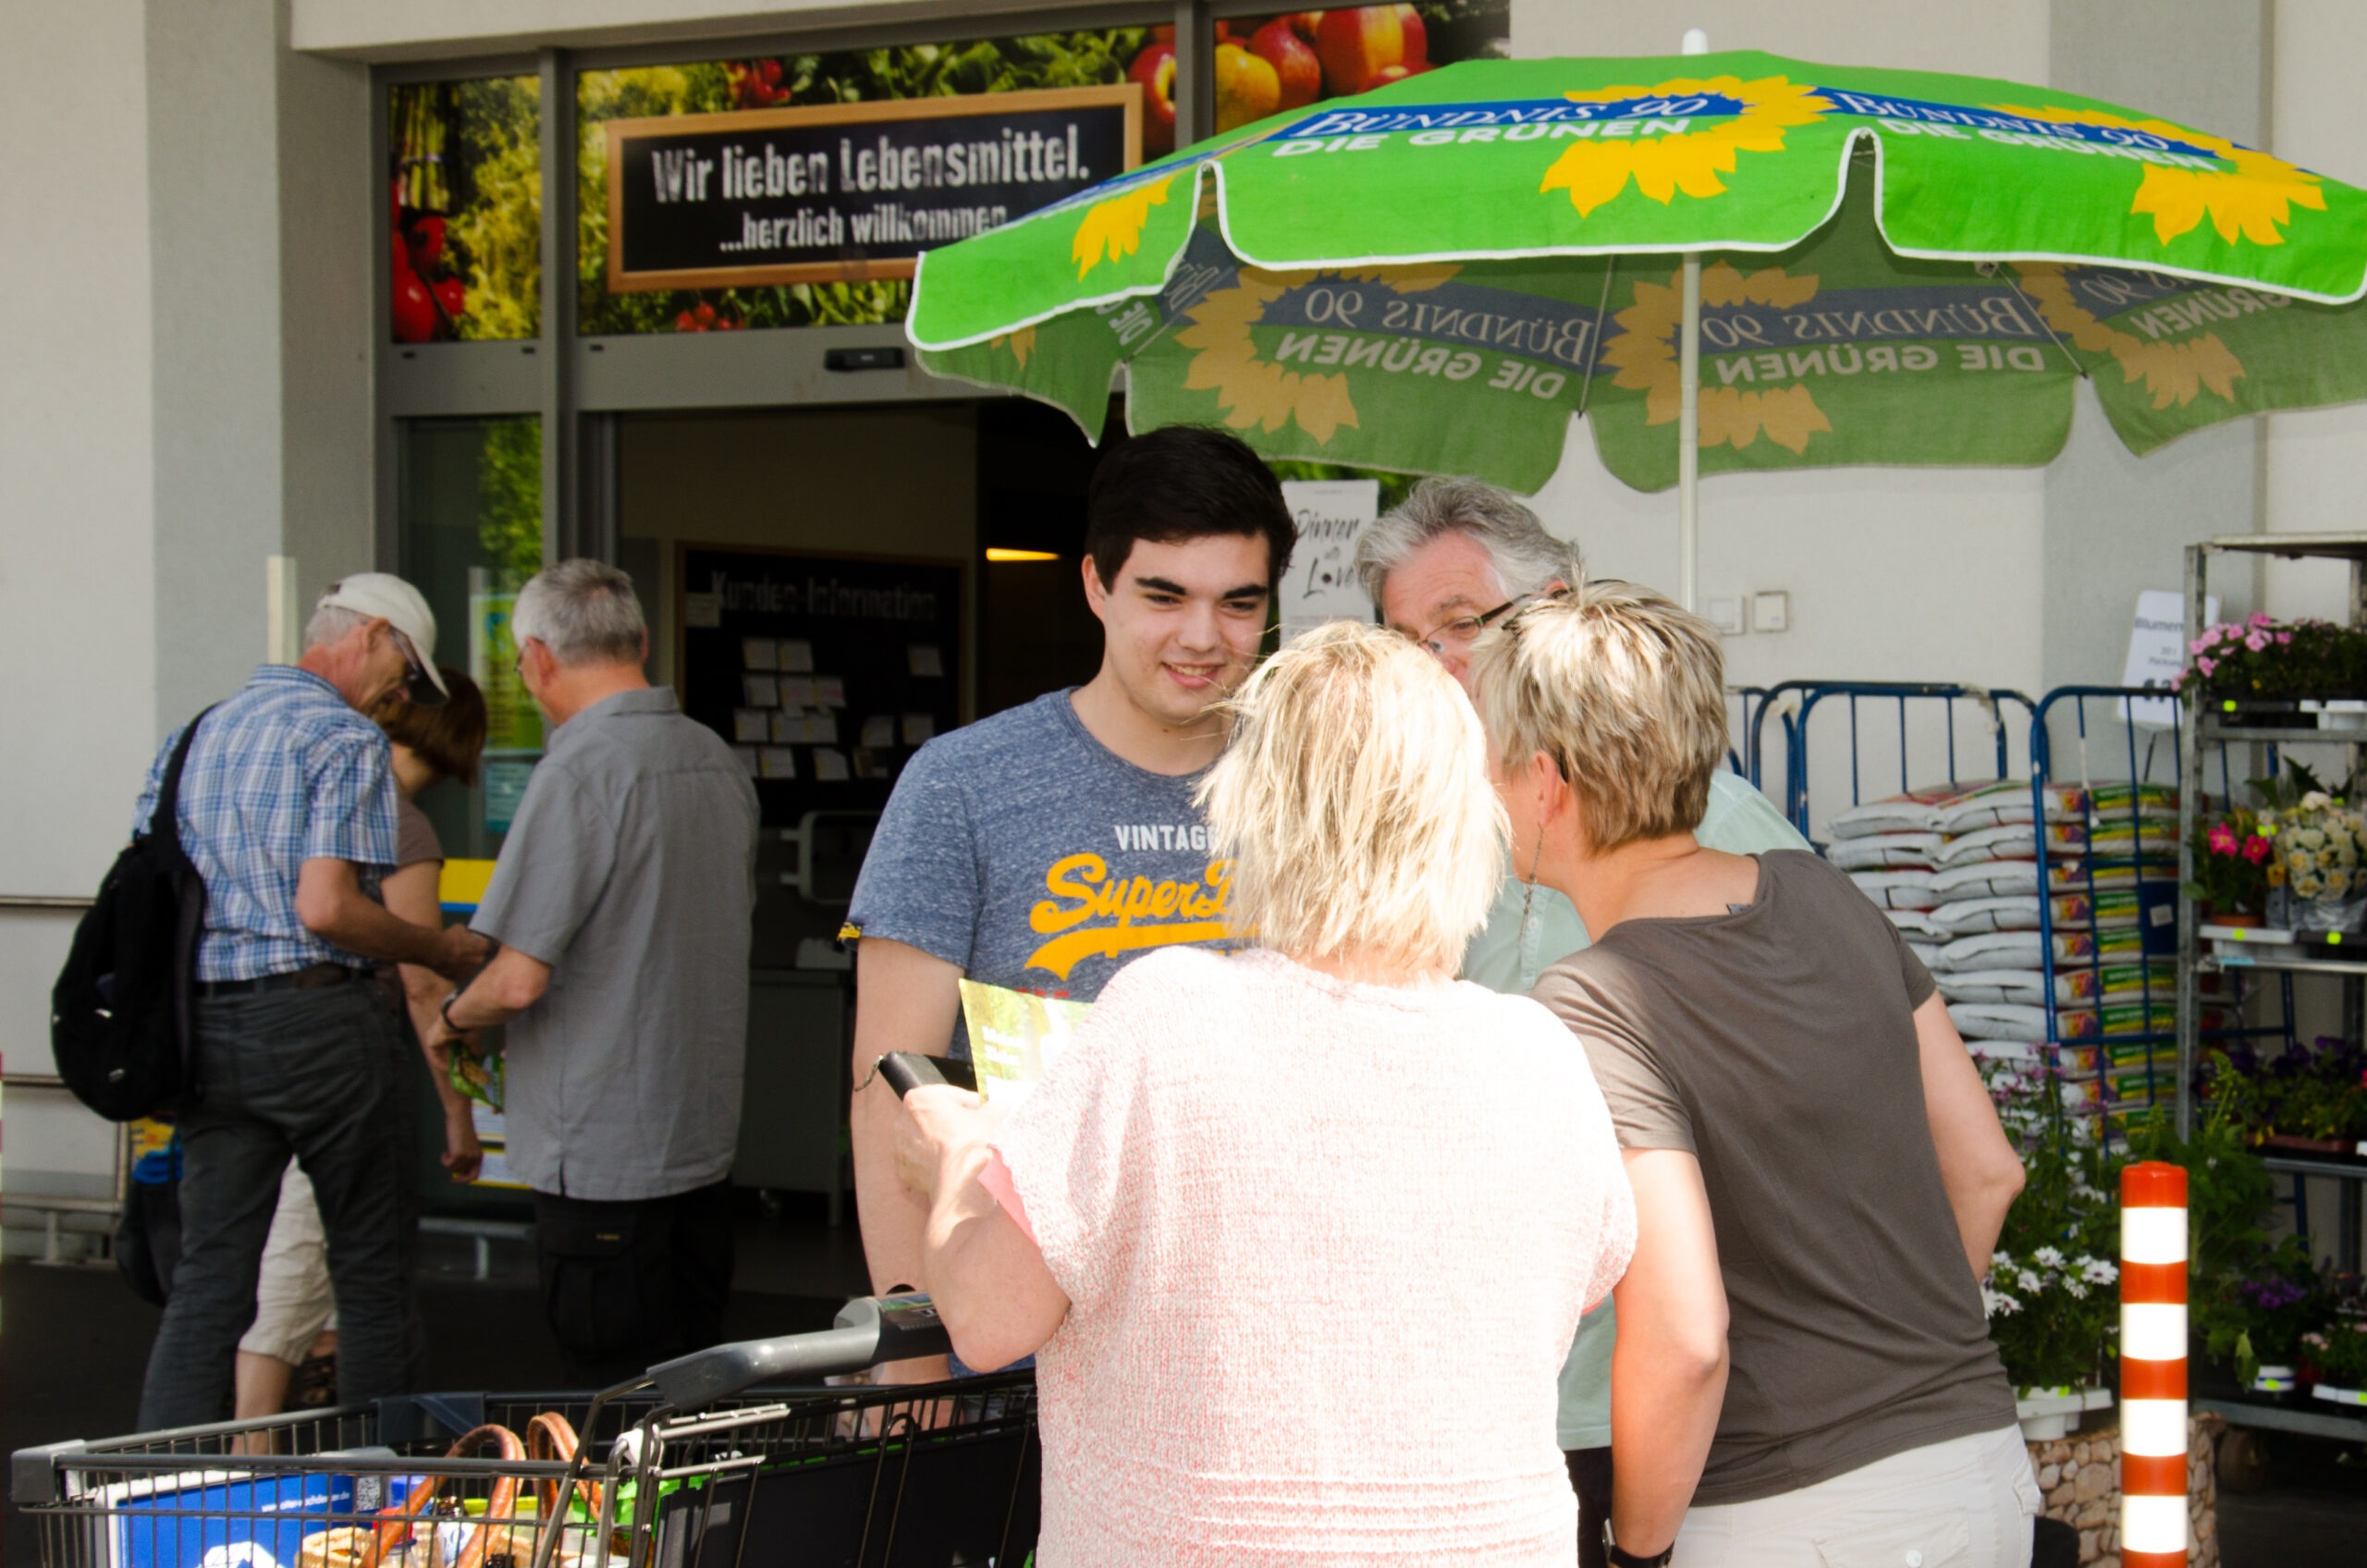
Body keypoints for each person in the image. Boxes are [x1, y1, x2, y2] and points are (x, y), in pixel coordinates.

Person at [893, 622, 1635, 1565]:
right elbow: (1582, 1278)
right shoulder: (1540, 1054)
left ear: (1253, 806)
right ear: (1467, 818)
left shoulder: (1166, 1020)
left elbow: (991, 1319)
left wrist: (964, 1153)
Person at [1476, 584, 2034, 1568]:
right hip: (1977, 1466)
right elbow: (1988, 1170)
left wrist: (1636, 1548)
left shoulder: (1596, 996)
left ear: (1546, 784)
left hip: (1789, 1508)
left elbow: (1687, 1335)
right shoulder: (1822, 892)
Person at [1354, 475, 1812, 1562]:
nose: (1433, 668)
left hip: (1658, 1396)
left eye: (1458, 627)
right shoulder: (1425, 829)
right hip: (1474, 1392)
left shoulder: (1716, 830)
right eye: (1402, 640)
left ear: (1554, 609)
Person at [842, 425, 1296, 1366]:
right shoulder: (962, 786)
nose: (1202, 638)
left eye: (1238, 603)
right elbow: (889, 1085)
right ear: (1095, 583)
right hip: (1011, 1339)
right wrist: (910, 1351)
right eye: (1162, 596)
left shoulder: (1315, 786)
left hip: (1253, 1340)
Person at [134, 574, 492, 1429]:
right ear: (370, 635)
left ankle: (143, 1504)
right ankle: (386, 1503)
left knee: (210, 1284)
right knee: (370, 1274)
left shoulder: (192, 737)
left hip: (206, 1029)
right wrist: (440, 945)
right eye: (402, 674)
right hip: (322, 1023)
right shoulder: (344, 738)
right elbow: (328, 907)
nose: (399, 698)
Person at [425, 560, 758, 1386]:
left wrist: (448, 1022)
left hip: (604, 1155)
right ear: (640, 642)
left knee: (608, 1405)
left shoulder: (578, 771)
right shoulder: (716, 759)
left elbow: (516, 979)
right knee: (691, 1399)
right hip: (702, 1145)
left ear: (536, 658)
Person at [231, 669, 490, 1426]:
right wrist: (458, 1113)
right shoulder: (400, 825)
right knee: (302, 1261)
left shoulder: (290, 801)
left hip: (256, 1047)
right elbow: (419, 985)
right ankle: (249, 1460)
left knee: (303, 1268)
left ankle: (276, 1454)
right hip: (338, 1066)